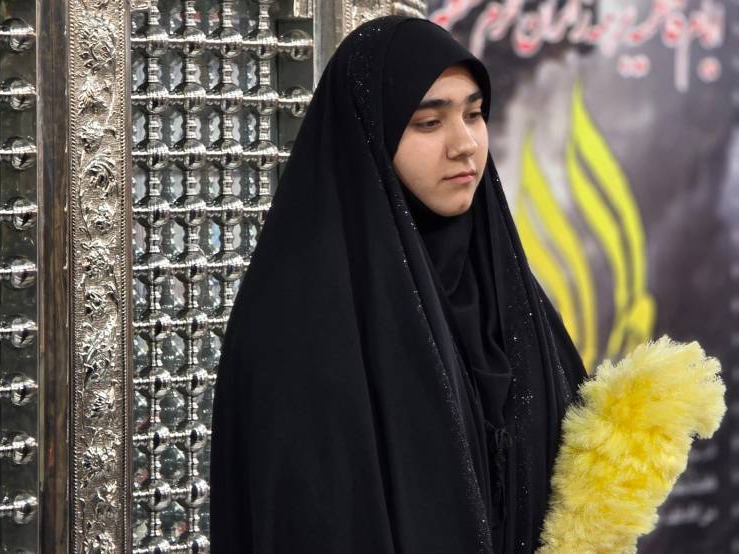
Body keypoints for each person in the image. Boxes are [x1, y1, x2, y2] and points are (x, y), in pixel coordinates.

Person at [209, 15, 589, 554]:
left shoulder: (507, 292)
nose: (464, 145)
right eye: (428, 123)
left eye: (474, 114)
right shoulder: (302, 326)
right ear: (371, 136)